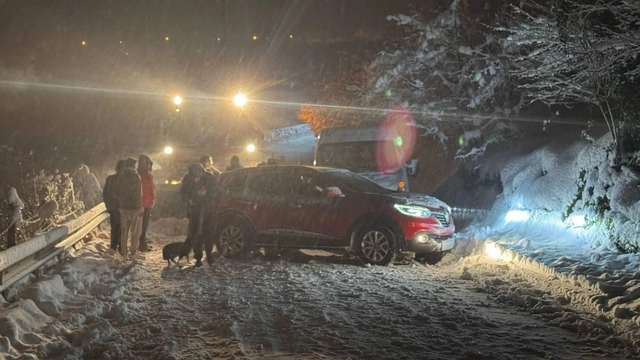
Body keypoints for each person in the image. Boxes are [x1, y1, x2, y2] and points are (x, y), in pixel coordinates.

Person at [180, 162, 218, 267]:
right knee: (194, 233)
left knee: (208, 232)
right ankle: (198, 257)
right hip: (194, 209)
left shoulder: (210, 178)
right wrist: (190, 200)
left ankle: (209, 254)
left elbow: (216, 192)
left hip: (207, 209)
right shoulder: (188, 179)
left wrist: (207, 197)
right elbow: (183, 192)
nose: (196, 177)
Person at [117, 158, 143, 261]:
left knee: (124, 232)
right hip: (134, 209)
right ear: (133, 165)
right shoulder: (136, 176)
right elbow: (137, 194)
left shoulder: (121, 176)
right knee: (135, 232)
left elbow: (117, 192)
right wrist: (140, 208)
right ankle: (133, 253)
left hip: (123, 208)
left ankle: (124, 254)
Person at [103, 160, 125, 251]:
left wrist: (108, 204)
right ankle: (121, 246)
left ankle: (113, 245)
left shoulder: (110, 179)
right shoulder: (126, 180)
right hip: (123, 207)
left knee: (114, 227)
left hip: (113, 207)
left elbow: (105, 193)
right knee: (122, 228)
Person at [138, 155, 155, 252]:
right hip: (142, 204)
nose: (147, 166)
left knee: (144, 225)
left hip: (147, 204)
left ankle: (142, 243)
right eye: (145, 164)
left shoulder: (147, 176)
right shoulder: (141, 176)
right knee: (141, 226)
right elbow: (143, 191)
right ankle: (141, 244)